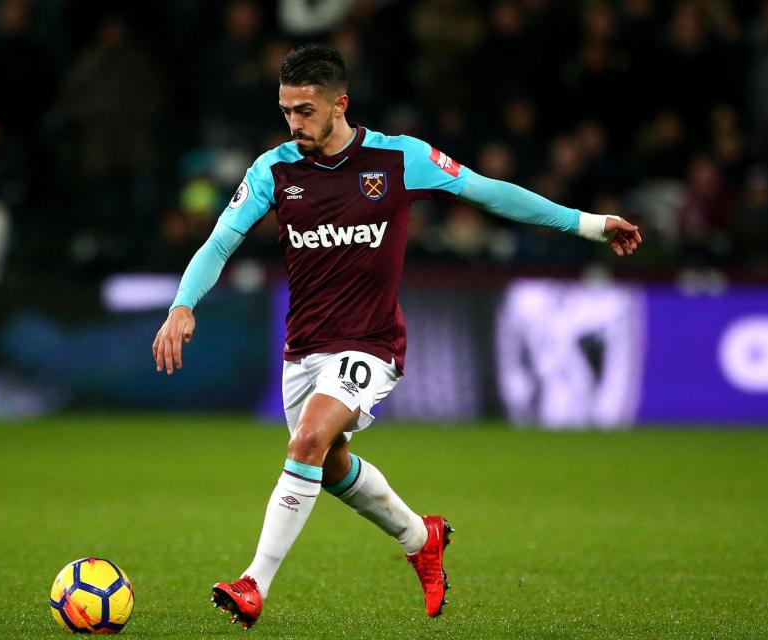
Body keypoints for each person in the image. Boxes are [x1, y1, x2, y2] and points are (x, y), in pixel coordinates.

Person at [151, 44, 642, 629]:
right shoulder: (274, 169)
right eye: (286, 110)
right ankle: (420, 537)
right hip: (303, 348)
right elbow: (221, 240)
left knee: (307, 442)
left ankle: (253, 583)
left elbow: (491, 193)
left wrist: (588, 224)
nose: (294, 123)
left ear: (341, 105)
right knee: (328, 466)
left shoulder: (398, 159)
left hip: (371, 342)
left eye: (305, 110)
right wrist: (183, 304)